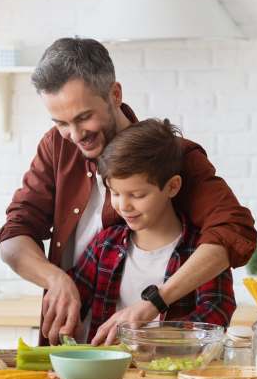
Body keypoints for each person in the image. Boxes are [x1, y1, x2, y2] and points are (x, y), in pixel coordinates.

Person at [0, 37, 256, 345]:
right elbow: (14, 236)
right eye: (61, 123)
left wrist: (156, 303)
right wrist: (55, 279)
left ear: (115, 94)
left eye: (83, 117)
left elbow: (233, 229)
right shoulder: (57, 146)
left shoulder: (172, 156)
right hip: (79, 349)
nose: (75, 135)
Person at [71, 118, 236, 345]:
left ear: (172, 186)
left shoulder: (201, 251)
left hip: (173, 373)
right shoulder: (104, 245)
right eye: (115, 193)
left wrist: (148, 337)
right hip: (107, 373)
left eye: (137, 195)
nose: (123, 206)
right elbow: (74, 300)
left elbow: (217, 313)